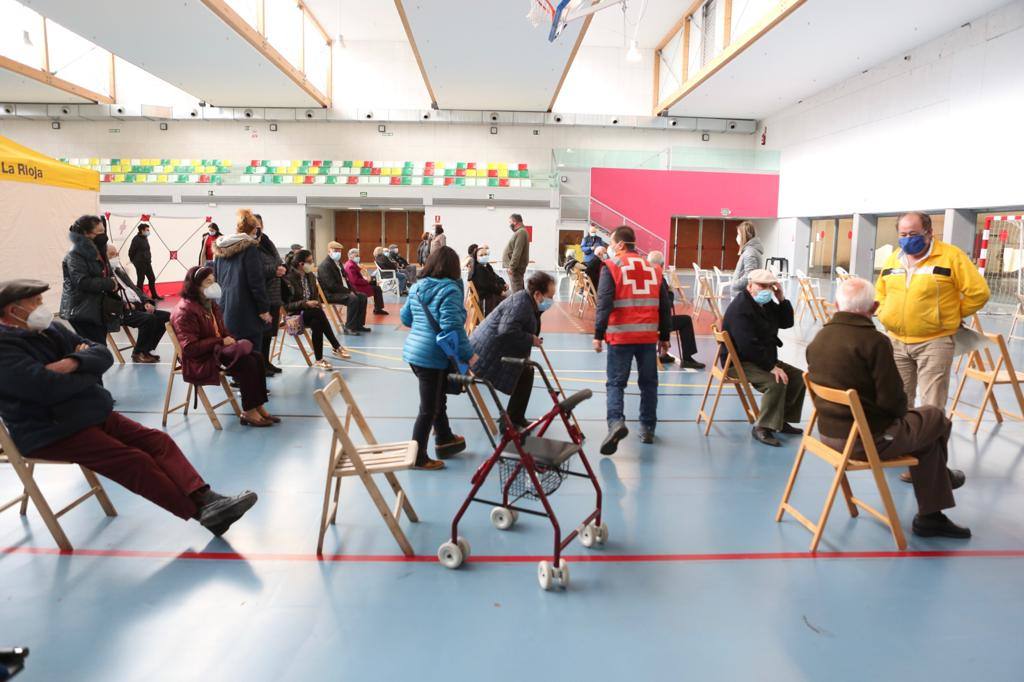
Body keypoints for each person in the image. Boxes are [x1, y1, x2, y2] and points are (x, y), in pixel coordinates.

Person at [0, 279, 258, 535]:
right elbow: (43, 388)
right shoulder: (5, 348)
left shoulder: (52, 329)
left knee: (158, 442)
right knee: (134, 461)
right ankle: (200, 512)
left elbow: (102, 355)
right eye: (35, 302)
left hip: (88, 413)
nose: (42, 307)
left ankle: (208, 499)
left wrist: (72, 364)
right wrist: (86, 368)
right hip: (51, 430)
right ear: (14, 311)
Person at [807, 277, 969, 538]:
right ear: (874, 308)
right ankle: (937, 497)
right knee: (936, 418)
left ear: (836, 304)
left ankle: (937, 497)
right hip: (866, 441)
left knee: (927, 440)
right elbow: (893, 403)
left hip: (828, 436)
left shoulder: (820, 338)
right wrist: (900, 413)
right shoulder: (875, 342)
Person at [875, 211, 989, 411]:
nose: (907, 239)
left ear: (929, 233)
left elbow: (979, 293)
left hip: (934, 342)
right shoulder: (894, 259)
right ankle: (904, 441)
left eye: (913, 234)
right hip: (896, 341)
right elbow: (880, 293)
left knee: (932, 406)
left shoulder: (951, 257)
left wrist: (951, 314)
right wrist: (885, 313)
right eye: (903, 235)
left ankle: (931, 443)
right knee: (898, 403)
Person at [593, 226, 672, 454]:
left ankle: (616, 422)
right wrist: (665, 336)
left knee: (616, 383)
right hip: (647, 336)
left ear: (619, 244)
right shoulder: (654, 268)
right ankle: (648, 428)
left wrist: (598, 335)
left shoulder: (612, 266)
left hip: (620, 336)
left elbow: (604, 303)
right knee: (649, 384)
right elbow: (664, 306)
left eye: (611, 242)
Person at [171, 267, 278, 427]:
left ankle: (258, 405)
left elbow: (223, 331)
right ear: (195, 286)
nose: (213, 285)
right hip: (201, 358)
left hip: (216, 351)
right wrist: (219, 341)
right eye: (208, 282)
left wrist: (229, 340)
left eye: (214, 281)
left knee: (257, 357)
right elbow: (190, 349)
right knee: (247, 363)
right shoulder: (184, 311)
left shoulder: (210, 304)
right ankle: (249, 411)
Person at [400, 246, 473, 470]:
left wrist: (424, 328)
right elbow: (451, 328)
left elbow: (405, 318)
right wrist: (468, 354)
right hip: (432, 356)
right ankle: (418, 457)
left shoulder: (418, 287)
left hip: (415, 353)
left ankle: (444, 437)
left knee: (437, 398)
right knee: (428, 408)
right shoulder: (450, 289)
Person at [720, 268, 805, 447]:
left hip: (761, 357)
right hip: (740, 361)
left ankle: (780, 420)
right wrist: (771, 367)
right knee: (775, 382)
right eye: (762, 285)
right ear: (750, 286)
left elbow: (787, 322)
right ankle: (762, 426)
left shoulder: (765, 304)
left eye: (769, 286)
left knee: (798, 377)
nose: (766, 289)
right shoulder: (741, 307)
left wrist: (781, 298)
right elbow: (747, 346)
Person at [470, 272, 554, 427]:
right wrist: (530, 339)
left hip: (491, 349)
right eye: (550, 296)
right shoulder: (522, 303)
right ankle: (510, 422)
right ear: (537, 294)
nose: (551, 301)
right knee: (526, 372)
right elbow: (506, 331)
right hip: (483, 355)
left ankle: (514, 417)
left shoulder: (528, 301)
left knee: (527, 371)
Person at [212, 209, 273, 355]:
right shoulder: (250, 249)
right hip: (247, 310)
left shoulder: (221, 249)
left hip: (226, 307)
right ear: (253, 230)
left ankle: (236, 376)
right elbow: (256, 283)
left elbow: (217, 278)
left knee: (233, 350)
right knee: (251, 354)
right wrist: (264, 310)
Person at [284, 250, 350, 369]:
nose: (312, 264)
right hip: (295, 315)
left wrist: (315, 304)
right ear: (301, 264)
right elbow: (286, 306)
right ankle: (336, 346)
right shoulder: (289, 279)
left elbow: (315, 297)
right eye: (310, 262)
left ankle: (319, 360)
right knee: (318, 313)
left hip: (312, 313)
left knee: (317, 322)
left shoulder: (310, 276)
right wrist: (305, 304)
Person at [107, 244, 169, 363]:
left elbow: (135, 289)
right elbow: (106, 300)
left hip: (137, 306)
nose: (116, 257)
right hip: (121, 311)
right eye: (112, 255)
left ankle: (148, 350)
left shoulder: (119, 271)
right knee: (148, 318)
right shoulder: (104, 277)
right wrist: (124, 305)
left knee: (165, 316)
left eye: (116, 254)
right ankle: (138, 353)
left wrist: (146, 302)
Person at [60, 215, 117, 344]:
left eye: (104, 231)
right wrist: (109, 283)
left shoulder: (98, 251)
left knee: (97, 349)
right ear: (86, 234)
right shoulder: (75, 254)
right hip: (81, 310)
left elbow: (104, 273)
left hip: (95, 309)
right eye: (100, 232)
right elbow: (82, 281)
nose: (104, 235)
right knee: (97, 349)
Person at [647, 250, 705, 370]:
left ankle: (663, 354)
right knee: (685, 320)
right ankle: (687, 358)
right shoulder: (659, 279)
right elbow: (666, 306)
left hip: (645, 321)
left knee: (668, 318)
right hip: (657, 322)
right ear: (662, 266)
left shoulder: (645, 276)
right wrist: (671, 293)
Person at [253, 214, 287, 375]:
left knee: (269, 334)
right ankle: (260, 365)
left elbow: (277, 259)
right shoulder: (250, 245)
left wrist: (280, 267)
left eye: (259, 225)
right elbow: (255, 270)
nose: (257, 229)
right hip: (262, 294)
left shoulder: (266, 240)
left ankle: (266, 362)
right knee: (260, 334)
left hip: (274, 293)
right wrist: (274, 270)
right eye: (254, 225)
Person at [318, 241, 369, 335]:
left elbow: (346, 279)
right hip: (329, 294)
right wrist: (349, 292)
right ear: (329, 251)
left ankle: (358, 325)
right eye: (335, 250)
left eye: (339, 251)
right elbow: (331, 285)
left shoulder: (338, 263)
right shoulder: (325, 265)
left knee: (362, 296)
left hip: (341, 291)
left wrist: (352, 290)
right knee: (353, 299)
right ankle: (349, 327)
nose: (338, 253)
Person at [344, 248, 388, 315]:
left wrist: (365, 278)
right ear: (350, 256)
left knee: (374, 281)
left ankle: (378, 308)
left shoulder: (351, 263)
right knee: (377, 289)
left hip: (357, 285)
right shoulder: (350, 266)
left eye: (358, 255)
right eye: (356, 256)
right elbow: (355, 280)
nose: (358, 257)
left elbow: (357, 276)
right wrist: (366, 281)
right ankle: (378, 309)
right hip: (357, 288)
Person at [468, 243, 507, 316]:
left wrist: (503, 283)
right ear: (476, 257)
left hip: (490, 293)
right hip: (485, 296)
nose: (484, 256)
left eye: (485, 254)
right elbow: (487, 285)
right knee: (507, 299)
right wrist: (500, 291)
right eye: (481, 255)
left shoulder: (487, 266)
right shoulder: (478, 269)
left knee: (507, 294)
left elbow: (494, 277)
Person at [128, 222, 162, 301]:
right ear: (142, 230)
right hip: (140, 263)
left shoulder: (145, 238)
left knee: (152, 278)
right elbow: (131, 251)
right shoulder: (136, 239)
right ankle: (140, 296)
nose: (148, 231)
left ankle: (154, 295)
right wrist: (133, 261)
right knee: (141, 279)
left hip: (147, 262)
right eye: (147, 230)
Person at [730, 221, 764, 295]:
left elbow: (749, 276)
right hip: (743, 294)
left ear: (744, 236)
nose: (737, 237)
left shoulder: (749, 252)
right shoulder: (751, 250)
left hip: (742, 295)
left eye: (738, 234)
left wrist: (734, 285)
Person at [502, 213, 530, 293]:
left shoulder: (521, 232)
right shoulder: (521, 232)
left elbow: (517, 251)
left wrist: (511, 267)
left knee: (517, 293)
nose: (510, 225)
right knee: (519, 292)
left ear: (515, 222)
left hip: (515, 269)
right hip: (516, 268)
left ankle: (520, 305)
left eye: (510, 222)